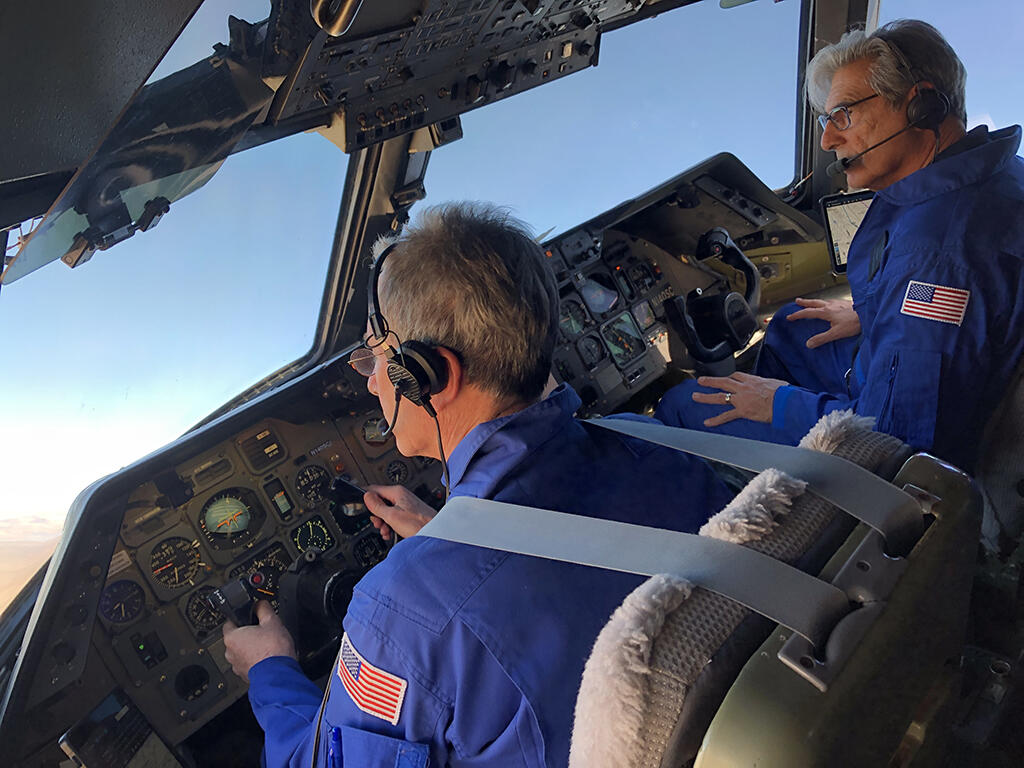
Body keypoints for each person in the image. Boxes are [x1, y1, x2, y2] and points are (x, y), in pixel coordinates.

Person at [222, 203, 733, 767]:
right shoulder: (656, 445)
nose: (371, 386)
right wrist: (454, 535)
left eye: (375, 358)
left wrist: (270, 670)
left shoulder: (405, 610)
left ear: (430, 375)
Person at [656, 19, 1024, 473]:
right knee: (794, 324)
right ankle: (767, 449)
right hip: (919, 375)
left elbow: (901, 444)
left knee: (681, 403)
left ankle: (774, 498)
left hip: (898, 455)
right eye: (827, 121)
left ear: (921, 106)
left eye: (844, 115)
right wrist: (875, 314)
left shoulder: (938, 254)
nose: (829, 140)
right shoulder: (994, 174)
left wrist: (779, 405)